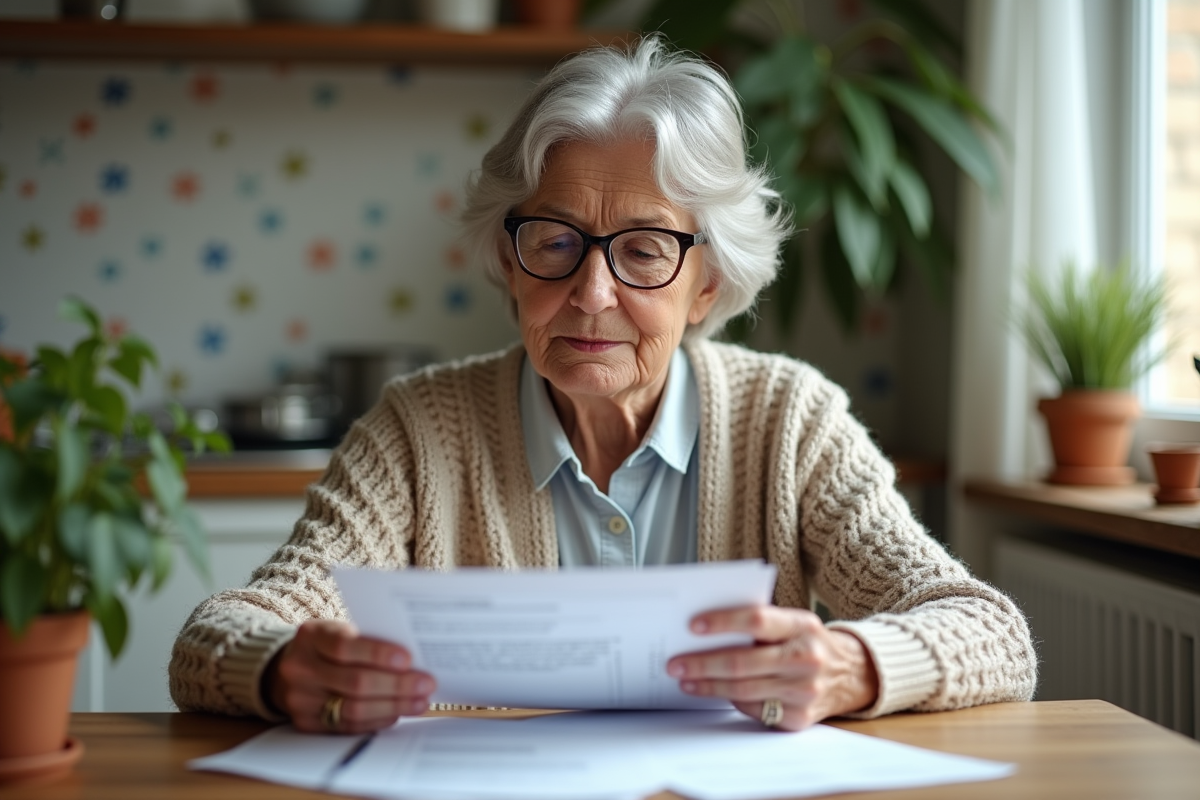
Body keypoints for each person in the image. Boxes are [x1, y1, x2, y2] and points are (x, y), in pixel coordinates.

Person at [169, 37, 1036, 735]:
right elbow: (216, 634)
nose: (591, 293)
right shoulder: (417, 430)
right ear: (508, 262)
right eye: (554, 241)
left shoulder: (790, 422)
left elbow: (991, 632)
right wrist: (286, 669)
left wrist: (849, 665)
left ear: (707, 286)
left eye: (645, 250)